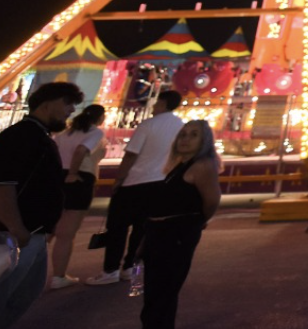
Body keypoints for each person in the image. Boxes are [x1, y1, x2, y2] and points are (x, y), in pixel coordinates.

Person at [0, 80, 83, 329]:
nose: (71, 110)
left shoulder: (38, 137)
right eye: (67, 103)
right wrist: (17, 228)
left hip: (29, 234)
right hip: (10, 237)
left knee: (21, 295)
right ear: (46, 105)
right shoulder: (23, 136)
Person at [90, 88, 184, 285]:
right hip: (160, 182)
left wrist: (119, 179)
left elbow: (131, 154)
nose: (154, 106)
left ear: (163, 104)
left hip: (135, 181)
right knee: (142, 228)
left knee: (118, 228)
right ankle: (130, 265)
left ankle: (111, 269)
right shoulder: (181, 127)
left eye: (157, 102)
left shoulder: (148, 125)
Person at [139, 118, 221, 329]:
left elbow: (211, 201)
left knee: (163, 291)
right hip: (159, 232)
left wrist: (198, 221)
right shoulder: (179, 165)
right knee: (154, 291)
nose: (185, 139)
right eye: (183, 135)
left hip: (176, 234)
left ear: (204, 141)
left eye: (194, 135)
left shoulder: (202, 166)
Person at [49, 103, 107, 289]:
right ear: (100, 118)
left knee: (49, 229)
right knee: (66, 234)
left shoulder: (66, 133)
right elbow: (81, 150)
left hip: (58, 177)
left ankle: (27, 269)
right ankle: (58, 276)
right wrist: (73, 172)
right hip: (79, 179)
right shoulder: (95, 132)